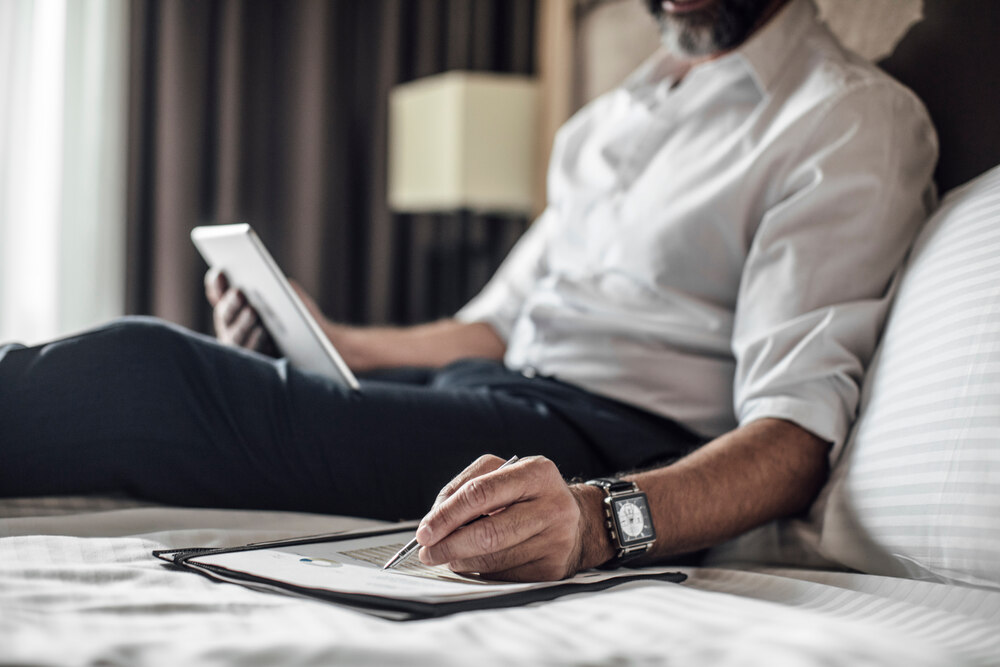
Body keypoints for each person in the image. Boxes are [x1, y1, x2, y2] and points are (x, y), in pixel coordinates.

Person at [0, 0, 936, 582]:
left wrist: (598, 518)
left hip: (604, 444)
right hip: (493, 396)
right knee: (193, 371)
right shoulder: (607, 121)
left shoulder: (845, 118)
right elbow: (493, 324)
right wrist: (329, 337)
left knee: (151, 371)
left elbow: (794, 439)